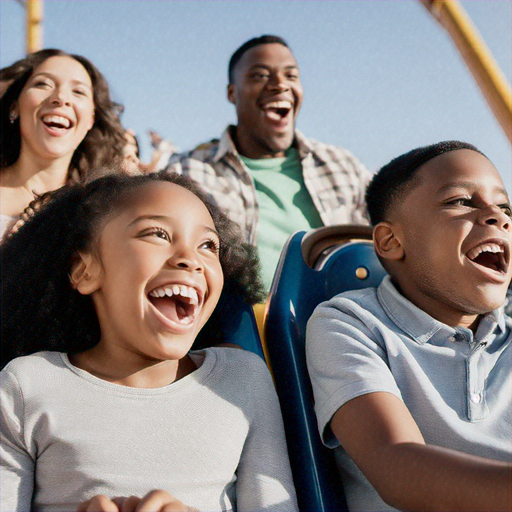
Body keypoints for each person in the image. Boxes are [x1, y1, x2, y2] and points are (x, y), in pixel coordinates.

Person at [0, 172, 298, 512]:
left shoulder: (243, 378)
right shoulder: (26, 384)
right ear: (85, 270)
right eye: (157, 234)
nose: (190, 258)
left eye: (208, 245)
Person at [306, 141, 512, 512]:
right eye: (461, 202)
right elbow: (397, 467)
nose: (497, 217)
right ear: (391, 240)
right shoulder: (351, 324)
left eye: (504, 206)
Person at [166, 35, 371, 291]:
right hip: (236, 327)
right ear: (232, 93)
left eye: (291, 76)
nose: (279, 85)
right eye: (260, 76)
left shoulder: (343, 166)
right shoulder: (187, 172)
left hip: (344, 321)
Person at [0, 48, 127, 238]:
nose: (60, 98)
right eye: (43, 84)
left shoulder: (105, 213)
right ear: (14, 106)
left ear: (91, 119)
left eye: (78, 91)